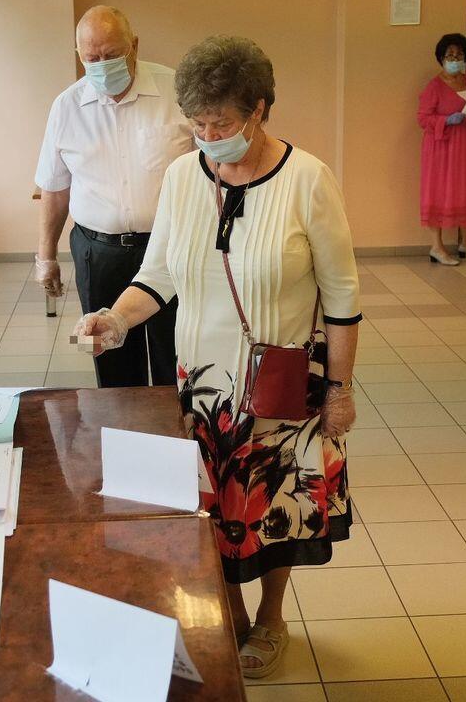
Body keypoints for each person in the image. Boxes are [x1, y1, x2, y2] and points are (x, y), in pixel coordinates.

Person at [74, 36, 360, 679]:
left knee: (276, 506)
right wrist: (115, 318)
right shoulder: (182, 177)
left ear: (259, 109)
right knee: (210, 508)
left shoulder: (308, 179)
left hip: (281, 382)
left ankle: (272, 617)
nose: (207, 137)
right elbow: (157, 276)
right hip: (201, 386)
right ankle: (228, 611)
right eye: (197, 124)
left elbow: (343, 297)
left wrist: (340, 389)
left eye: (221, 124)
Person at [34, 5, 192, 388]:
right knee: (109, 357)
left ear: (134, 45)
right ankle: (120, 423)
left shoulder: (177, 92)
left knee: (176, 357)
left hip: (169, 248)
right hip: (97, 254)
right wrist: (46, 258)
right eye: (92, 58)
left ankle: (178, 425)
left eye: (112, 54)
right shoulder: (66, 107)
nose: (102, 65)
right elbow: (54, 189)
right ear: (79, 55)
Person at [417, 33, 466, 265]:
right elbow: (423, 118)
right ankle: (436, 246)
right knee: (439, 190)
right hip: (441, 147)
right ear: (441, 58)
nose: (455, 59)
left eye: (459, 55)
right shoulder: (434, 86)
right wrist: (446, 120)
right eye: (450, 55)